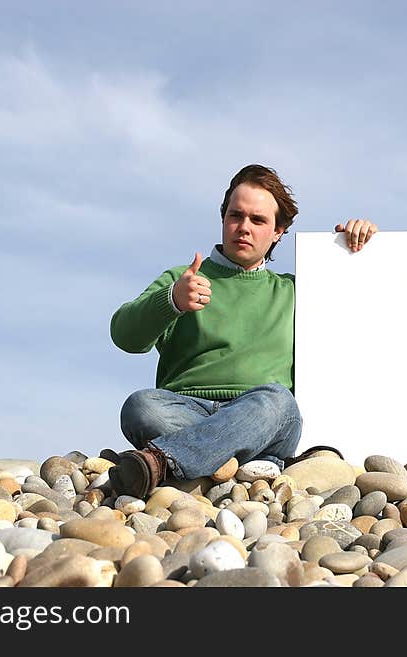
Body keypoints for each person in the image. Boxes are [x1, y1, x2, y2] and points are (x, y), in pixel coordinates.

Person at [105, 164, 377, 498]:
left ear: (278, 231)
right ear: (223, 218)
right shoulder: (185, 278)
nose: (243, 228)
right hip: (186, 406)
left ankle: (163, 461)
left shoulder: (294, 291)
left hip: (263, 409)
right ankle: (245, 461)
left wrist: (353, 246)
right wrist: (172, 301)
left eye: (258, 220)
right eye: (236, 216)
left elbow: (364, 316)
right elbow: (124, 336)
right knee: (140, 406)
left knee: (278, 402)